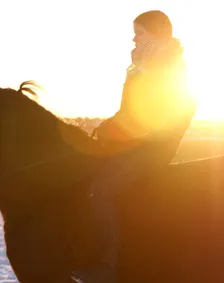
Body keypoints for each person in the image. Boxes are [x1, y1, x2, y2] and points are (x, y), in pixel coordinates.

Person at [71, 10, 197, 283]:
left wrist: (116, 132)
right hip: (133, 144)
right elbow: (128, 110)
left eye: (140, 32)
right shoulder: (139, 65)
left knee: (100, 190)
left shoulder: (169, 67)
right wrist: (106, 128)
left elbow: (156, 115)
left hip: (154, 149)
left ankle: (107, 265)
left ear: (159, 34)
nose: (134, 38)